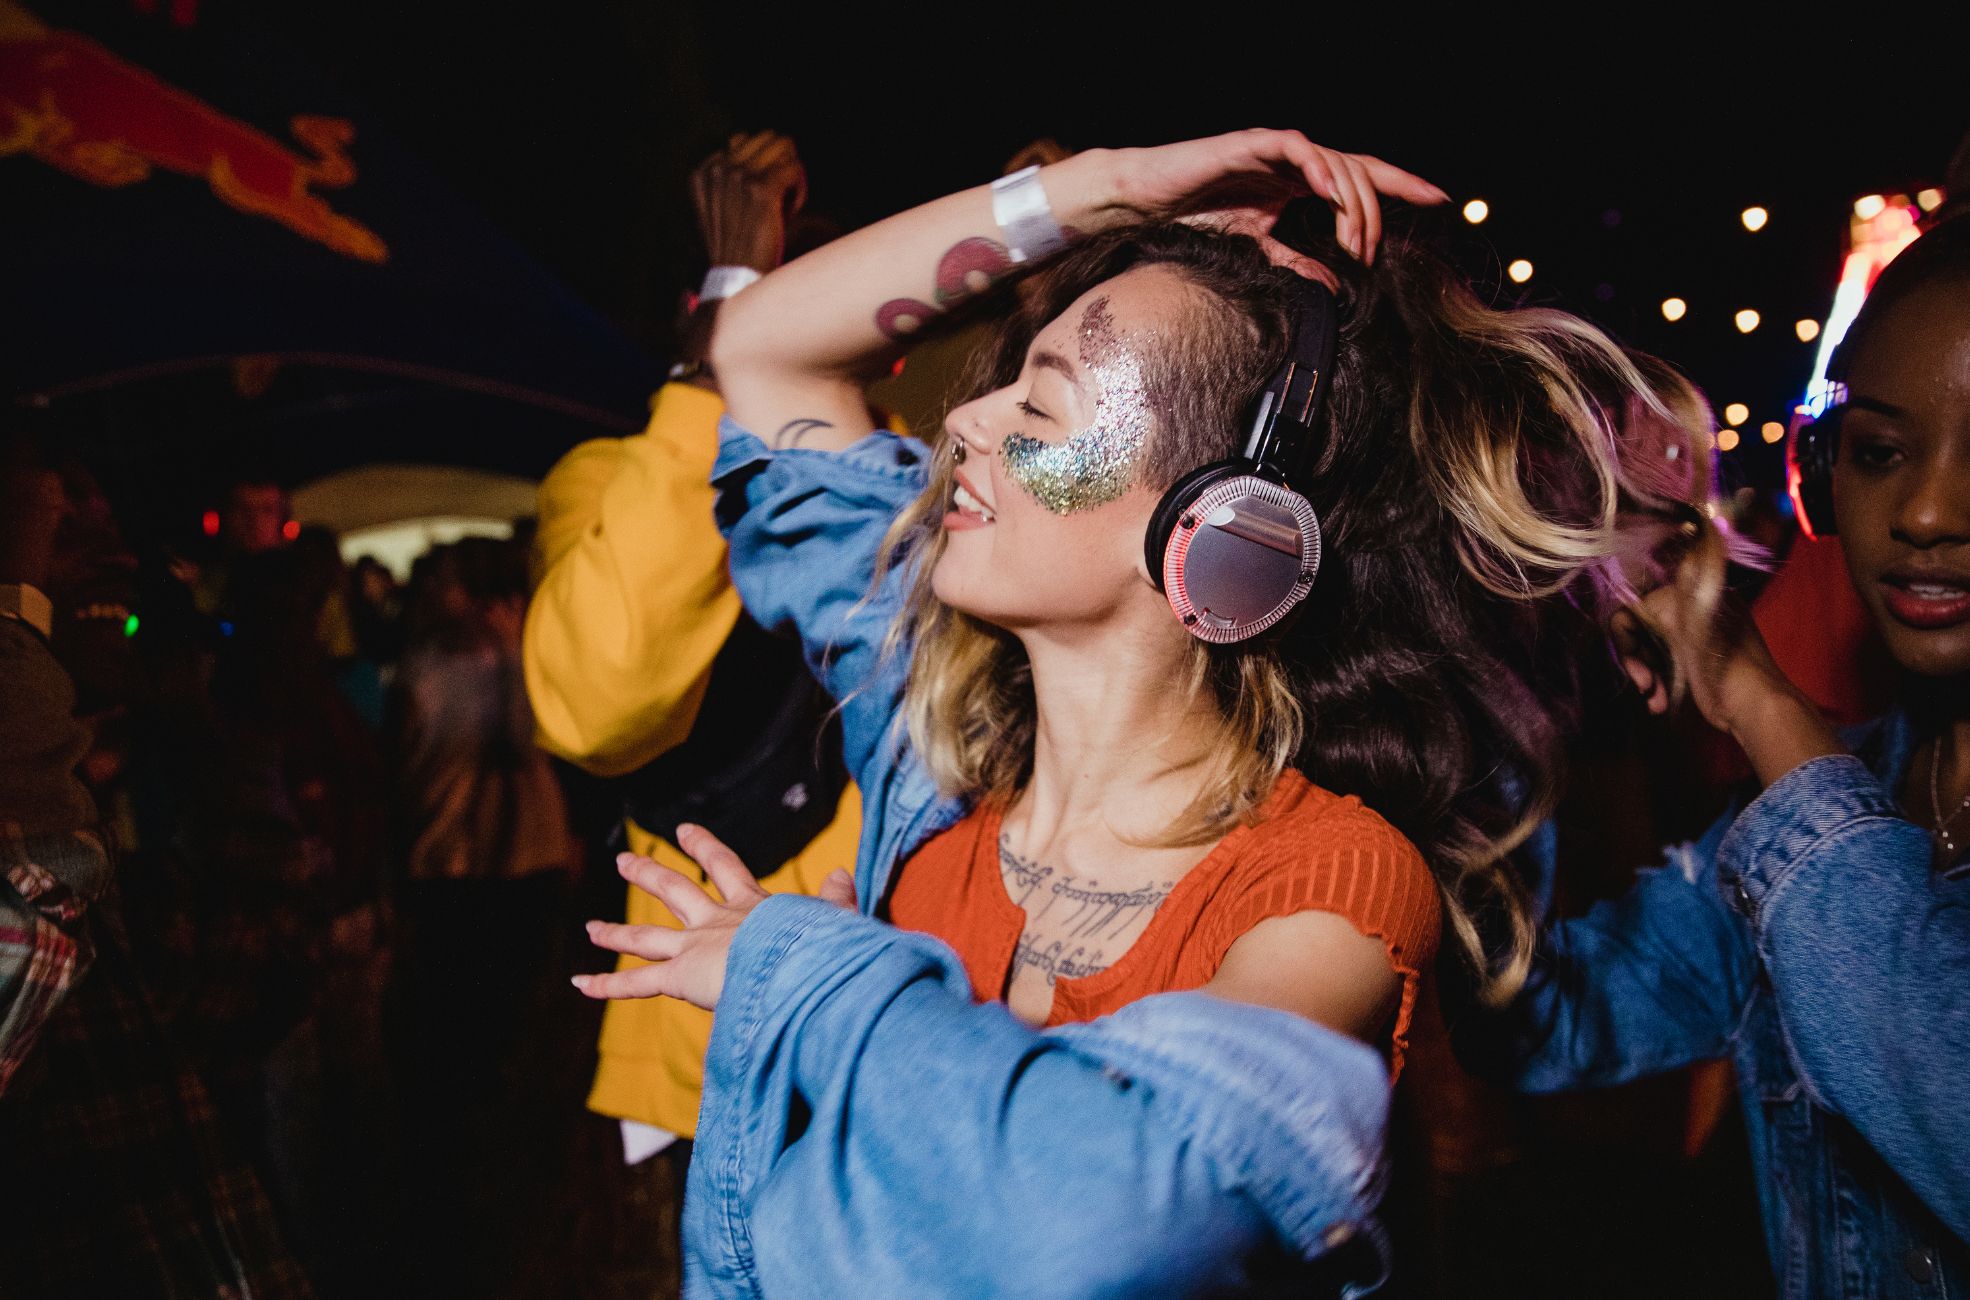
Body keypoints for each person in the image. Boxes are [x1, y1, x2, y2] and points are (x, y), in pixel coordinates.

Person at [573, 129, 1724, 1295]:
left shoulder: (1332, 884)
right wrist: (1102, 191)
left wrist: (806, 974)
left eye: (1045, 403)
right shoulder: (931, 752)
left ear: (1227, 532)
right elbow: (759, 345)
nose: (965, 423)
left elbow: (1104, 1211)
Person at [1456, 214, 1970, 1298]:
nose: (1925, 511)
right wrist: (1522, 670)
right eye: (1878, 453)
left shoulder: (1799, 793)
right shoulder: (1823, 805)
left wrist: (1752, 692)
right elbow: (1540, 1019)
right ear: (1825, 476)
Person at [523, 130, 865, 1295]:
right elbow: (594, 701)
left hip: (907, 1034)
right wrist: (732, 312)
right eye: (783, 303)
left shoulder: (913, 484)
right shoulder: (612, 474)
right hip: (706, 1058)